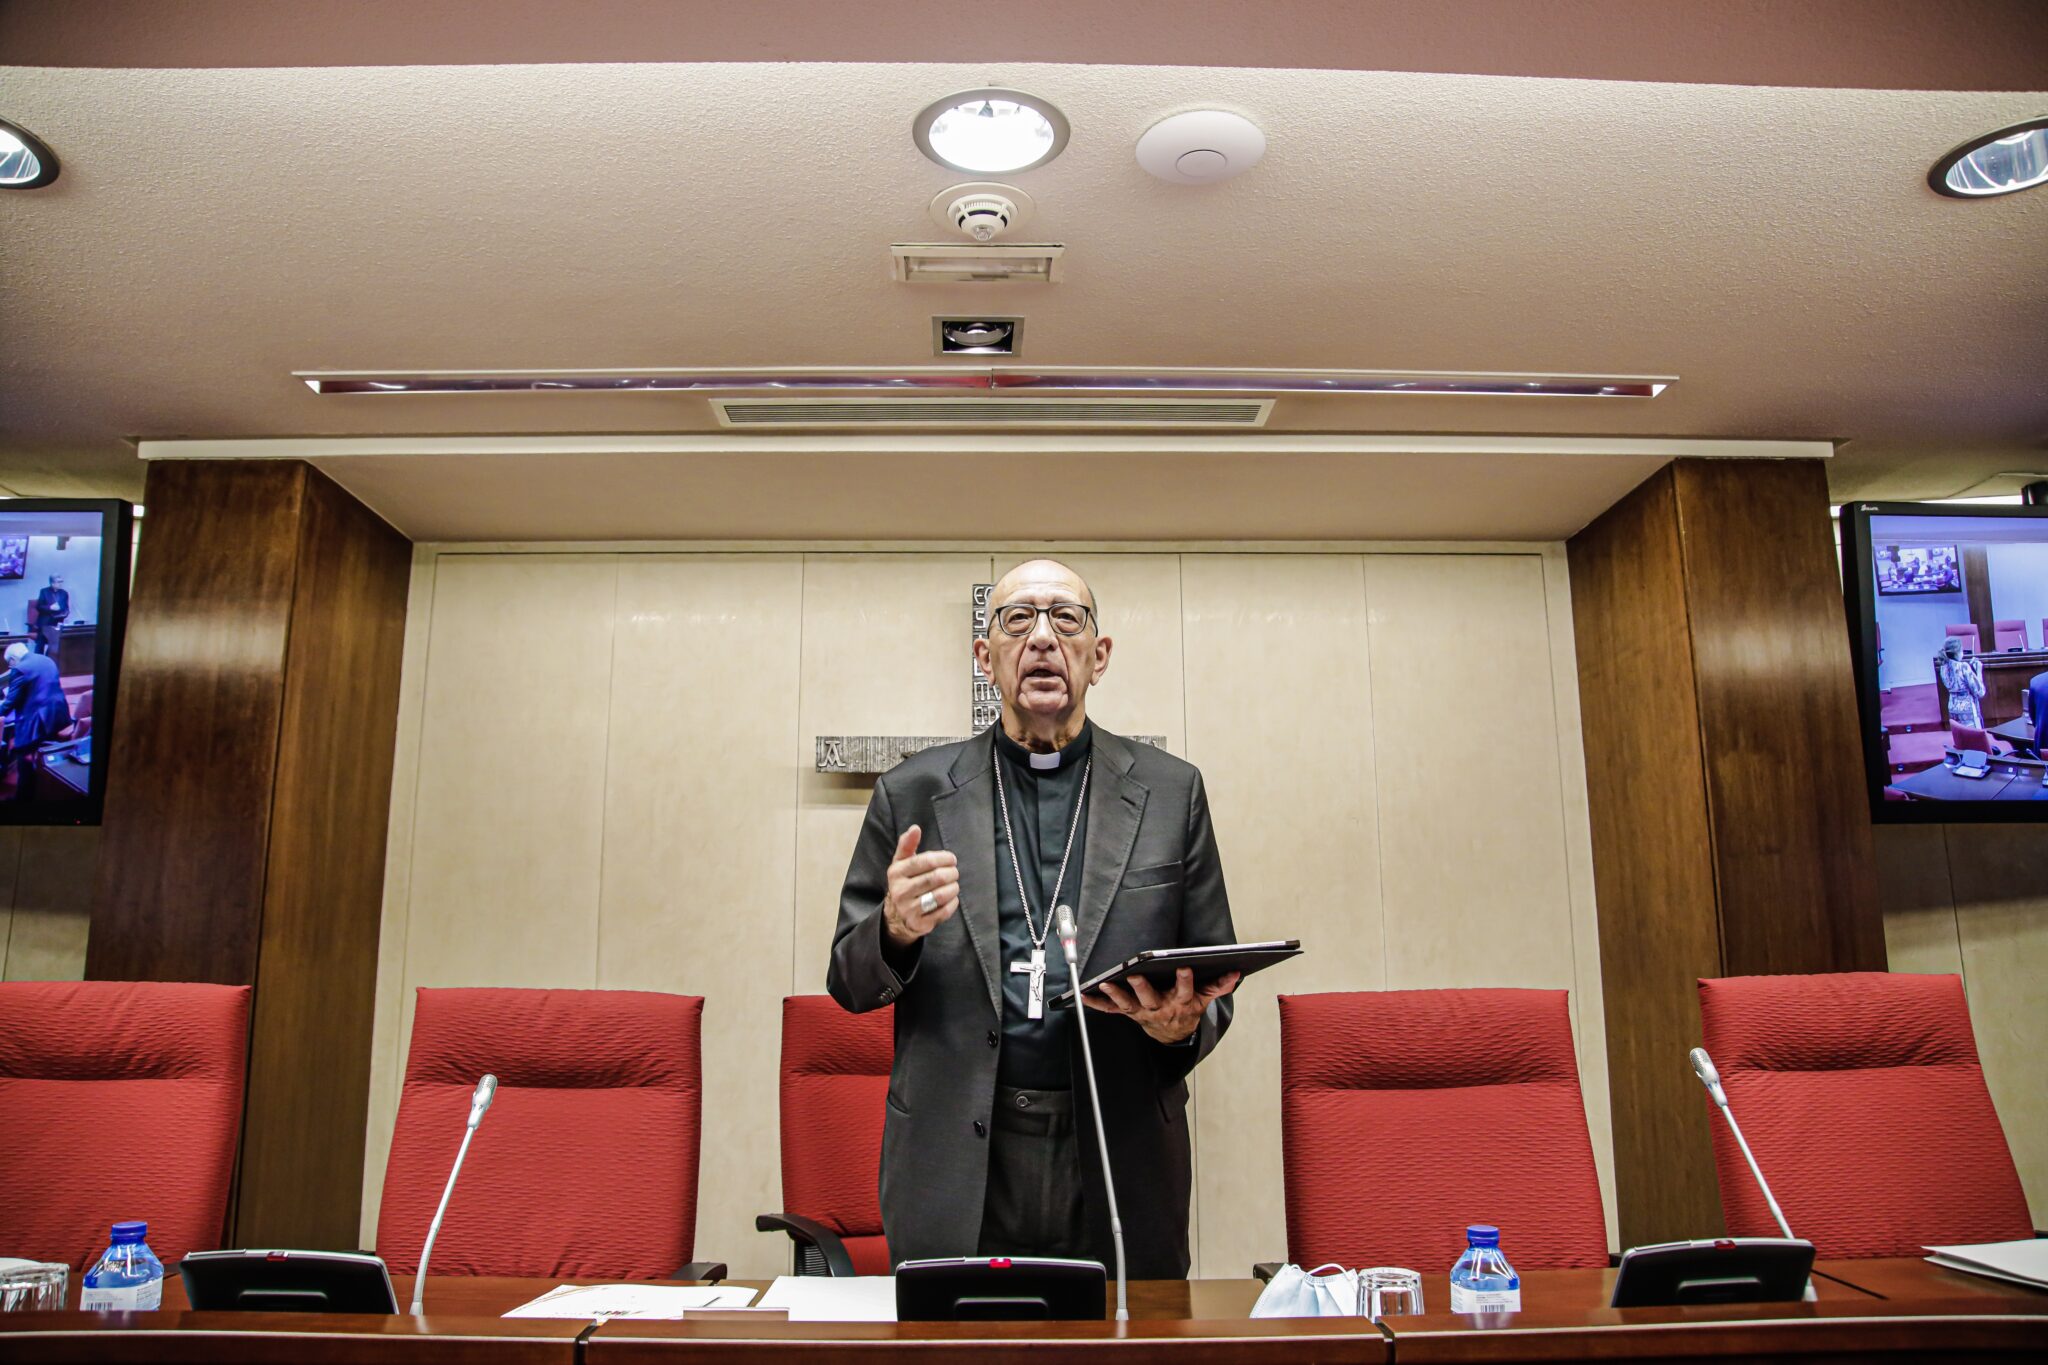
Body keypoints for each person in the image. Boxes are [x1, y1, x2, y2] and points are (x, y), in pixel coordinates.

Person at [828, 559, 1239, 1277]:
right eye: (1018, 619)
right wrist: (893, 928)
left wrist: (1184, 1027)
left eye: (1066, 619)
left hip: (1118, 1152)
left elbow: (1213, 979)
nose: (1043, 638)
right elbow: (848, 979)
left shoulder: (1173, 793)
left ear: (1098, 655)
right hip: (957, 1158)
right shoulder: (913, 793)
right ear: (985, 657)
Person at [0, 641, 71, 799]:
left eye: (9, 664)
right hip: (58, 714)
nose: (10, 667)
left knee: (22, 753)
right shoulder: (46, 660)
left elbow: (11, 703)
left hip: (37, 721)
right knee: (45, 754)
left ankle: (23, 798)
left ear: (12, 659)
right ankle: (44, 789)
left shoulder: (19, 669)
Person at [1935, 636, 1985, 731]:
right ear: (1957, 651)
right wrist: (1978, 671)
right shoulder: (1964, 666)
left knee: (1961, 738)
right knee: (1973, 740)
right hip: (1968, 710)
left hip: (1953, 707)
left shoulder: (1943, 668)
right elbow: (1980, 692)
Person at [29, 574, 69, 656]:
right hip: (45, 622)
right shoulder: (44, 591)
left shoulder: (64, 593)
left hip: (58, 622)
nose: (61, 584)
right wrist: (50, 607)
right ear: (52, 583)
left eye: (61, 582)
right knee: (40, 644)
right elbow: (39, 606)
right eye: (59, 582)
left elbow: (66, 608)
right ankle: (38, 661)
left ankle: (51, 659)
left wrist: (65, 613)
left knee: (56, 645)